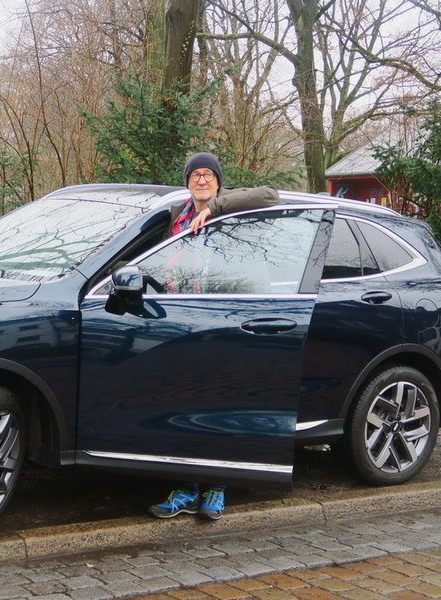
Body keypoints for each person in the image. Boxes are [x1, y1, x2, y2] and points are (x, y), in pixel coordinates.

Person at [149, 152, 280, 520]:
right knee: (182, 407)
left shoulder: (234, 210)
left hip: (226, 322)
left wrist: (217, 208)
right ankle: (185, 489)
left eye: (208, 175)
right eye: (195, 175)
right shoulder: (176, 216)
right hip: (183, 324)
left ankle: (217, 489)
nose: (202, 180)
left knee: (219, 408)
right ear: (187, 182)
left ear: (218, 181)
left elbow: (271, 195)